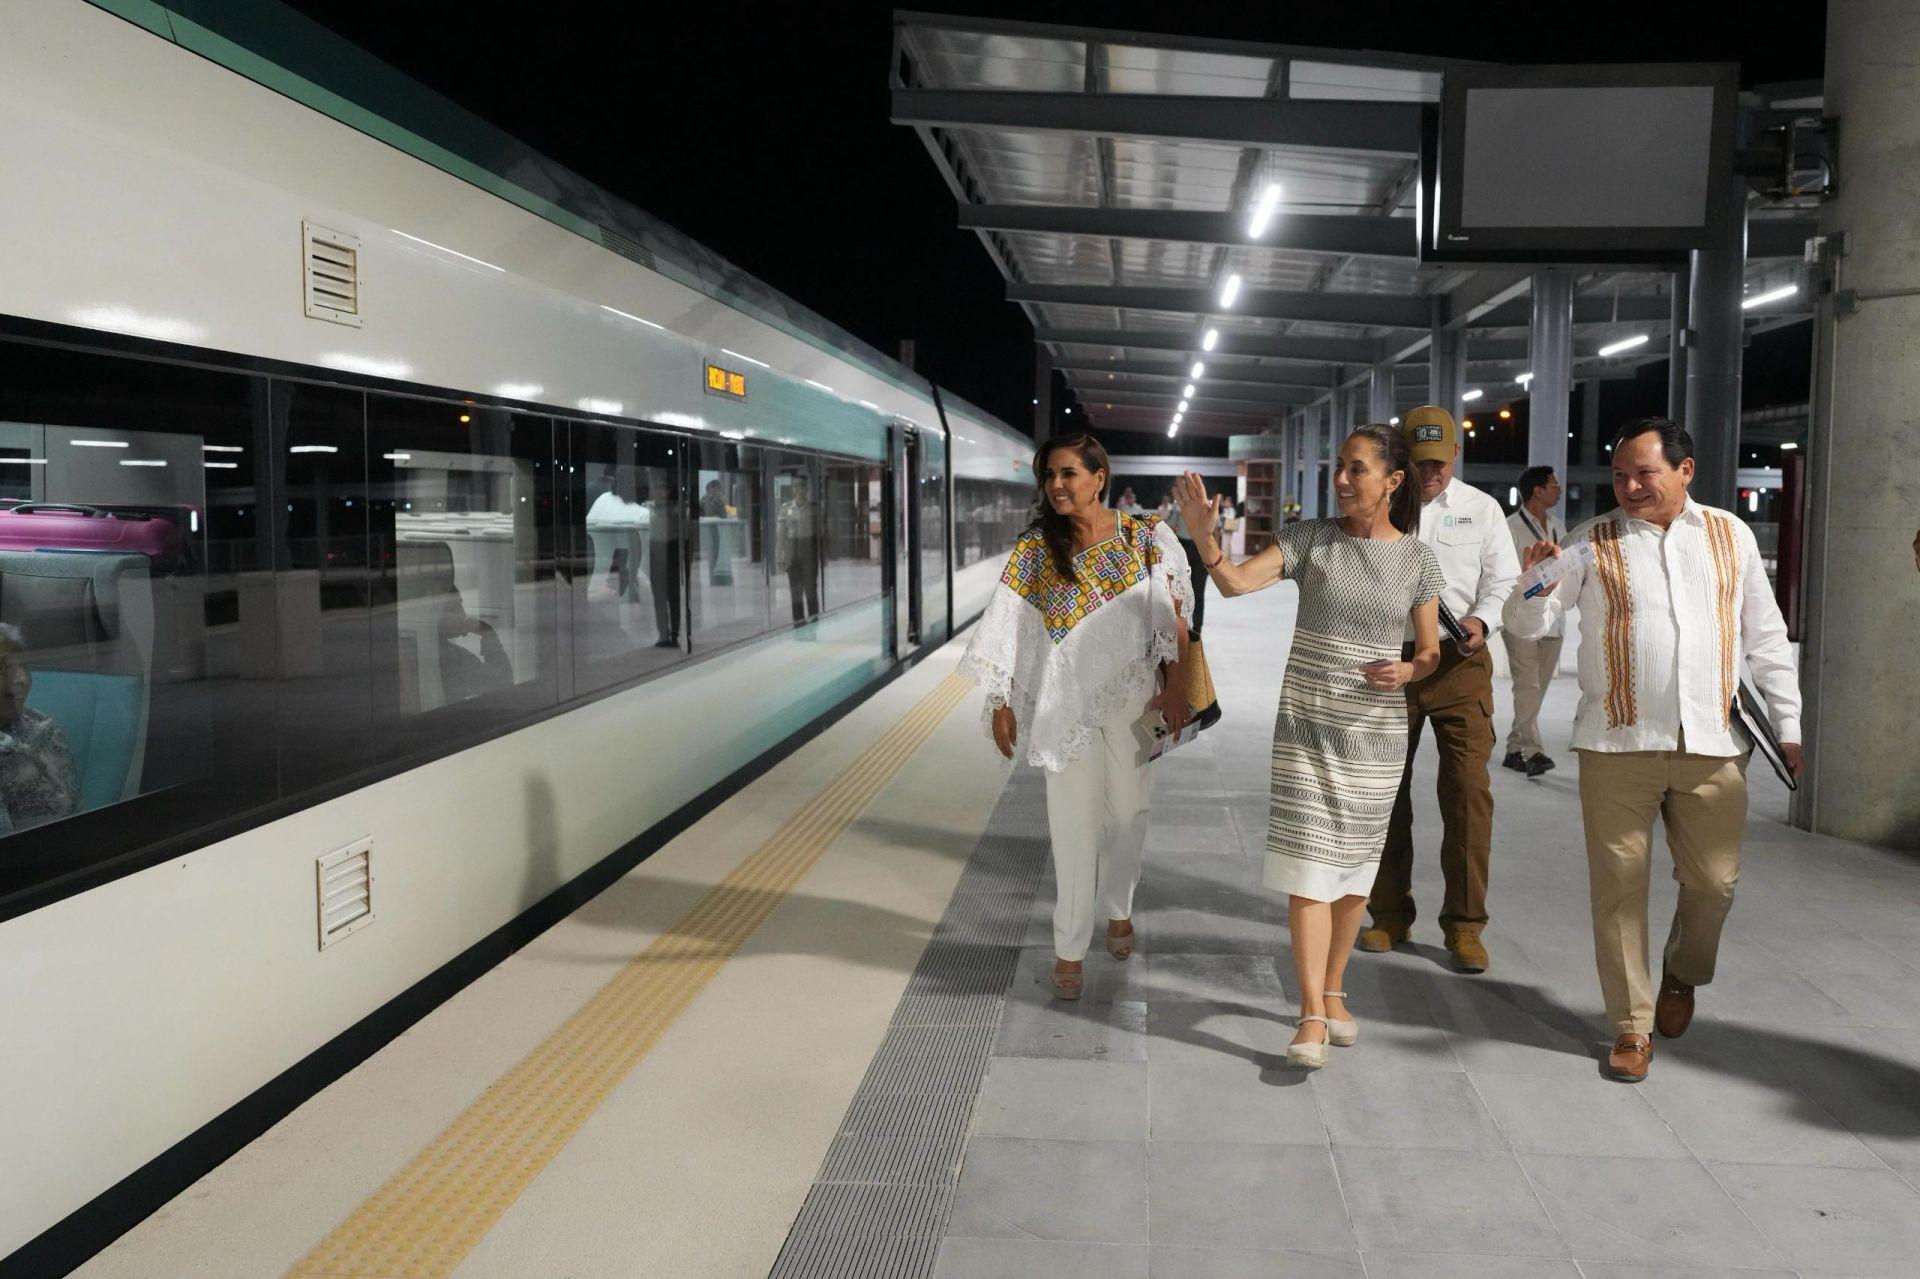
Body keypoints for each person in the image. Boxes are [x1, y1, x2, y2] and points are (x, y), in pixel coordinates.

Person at [1511, 417, 1803, 1083]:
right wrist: (1533, 586)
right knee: (1618, 887)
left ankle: (1683, 972)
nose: (1631, 486)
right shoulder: (1588, 542)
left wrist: (1788, 725)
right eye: (1620, 475)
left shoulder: (1730, 535)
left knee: (1714, 883)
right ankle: (1631, 1024)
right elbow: (1528, 624)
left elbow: (1766, 636)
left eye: (1644, 472)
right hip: (1616, 743)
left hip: (1714, 742)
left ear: (1684, 469)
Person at [1175, 425, 1443, 1069]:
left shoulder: (1418, 560)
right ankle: (1310, 1014)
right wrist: (1205, 539)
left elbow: (1431, 651)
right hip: (1306, 726)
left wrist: (1409, 669)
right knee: (1307, 868)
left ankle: (1333, 990)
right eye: (1339, 467)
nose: (1342, 480)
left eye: (1357, 469)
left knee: (1353, 873)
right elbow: (1236, 584)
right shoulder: (1309, 539)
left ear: (1393, 481)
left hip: (1375, 734)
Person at [960, 433, 1191, 1001]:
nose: (1056, 485)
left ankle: (1119, 905)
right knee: (1071, 827)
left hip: (1134, 697)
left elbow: (1175, 615)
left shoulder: (1146, 537)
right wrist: (1001, 699)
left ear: (1098, 478)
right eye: (1049, 476)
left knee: (1129, 815)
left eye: (1068, 473)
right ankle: (1069, 947)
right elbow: (1008, 622)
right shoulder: (1036, 549)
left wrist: (1177, 687)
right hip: (1064, 706)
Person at [1355, 407, 1519, 973]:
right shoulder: (1376, 506)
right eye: (1420, 463)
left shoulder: (1481, 508)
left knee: (1468, 794)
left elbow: (1503, 579)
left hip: (1459, 664)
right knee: (1385, 793)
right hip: (1390, 661)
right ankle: (1388, 914)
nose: (1431, 474)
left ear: (1455, 455)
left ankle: (1465, 925)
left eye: (1439, 462)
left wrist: (1483, 620)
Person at [1502, 466, 1567, 778]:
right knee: (1527, 686)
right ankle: (1533, 751)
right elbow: (1505, 574)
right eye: (1554, 484)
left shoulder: (1557, 526)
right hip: (1521, 616)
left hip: (1553, 616)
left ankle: (1514, 748)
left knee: (1537, 690)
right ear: (1537, 490)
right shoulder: (1510, 527)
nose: (1559, 489)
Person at [0, 624, 80, 836]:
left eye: (24, 665)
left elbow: (72, 825)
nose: (22, 679)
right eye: (2, 668)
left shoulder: (44, 731)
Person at [1162, 477, 1224, 634]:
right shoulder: (1177, 506)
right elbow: (1169, 527)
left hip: (1201, 548)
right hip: (1182, 549)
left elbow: (1217, 531)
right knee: (1179, 590)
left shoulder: (1208, 504)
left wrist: (1216, 554)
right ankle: (1181, 627)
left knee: (1198, 591)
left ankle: (1197, 629)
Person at [641, 477, 682, 648]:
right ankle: (663, 634)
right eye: (655, 488)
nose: (658, 492)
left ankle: (675, 633)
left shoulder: (676, 509)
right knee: (658, 596)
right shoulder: (645, 508)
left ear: (668, 491)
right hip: (655, 550)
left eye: (662, 489)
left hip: (672, 550)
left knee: (673, 596)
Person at [780, 474, 822, 624]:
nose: (799, 489)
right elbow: (781, 535)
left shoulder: (814, 509)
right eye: (796, 486)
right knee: (795, 592)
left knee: (811, 590)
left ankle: (814, 622)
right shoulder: (785, 509)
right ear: (792, 489)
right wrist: (780, 557)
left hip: (809, 553)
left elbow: (821, 534)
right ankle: (798, 624)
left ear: (807, 488)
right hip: (792, 554)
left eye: (802, 485)